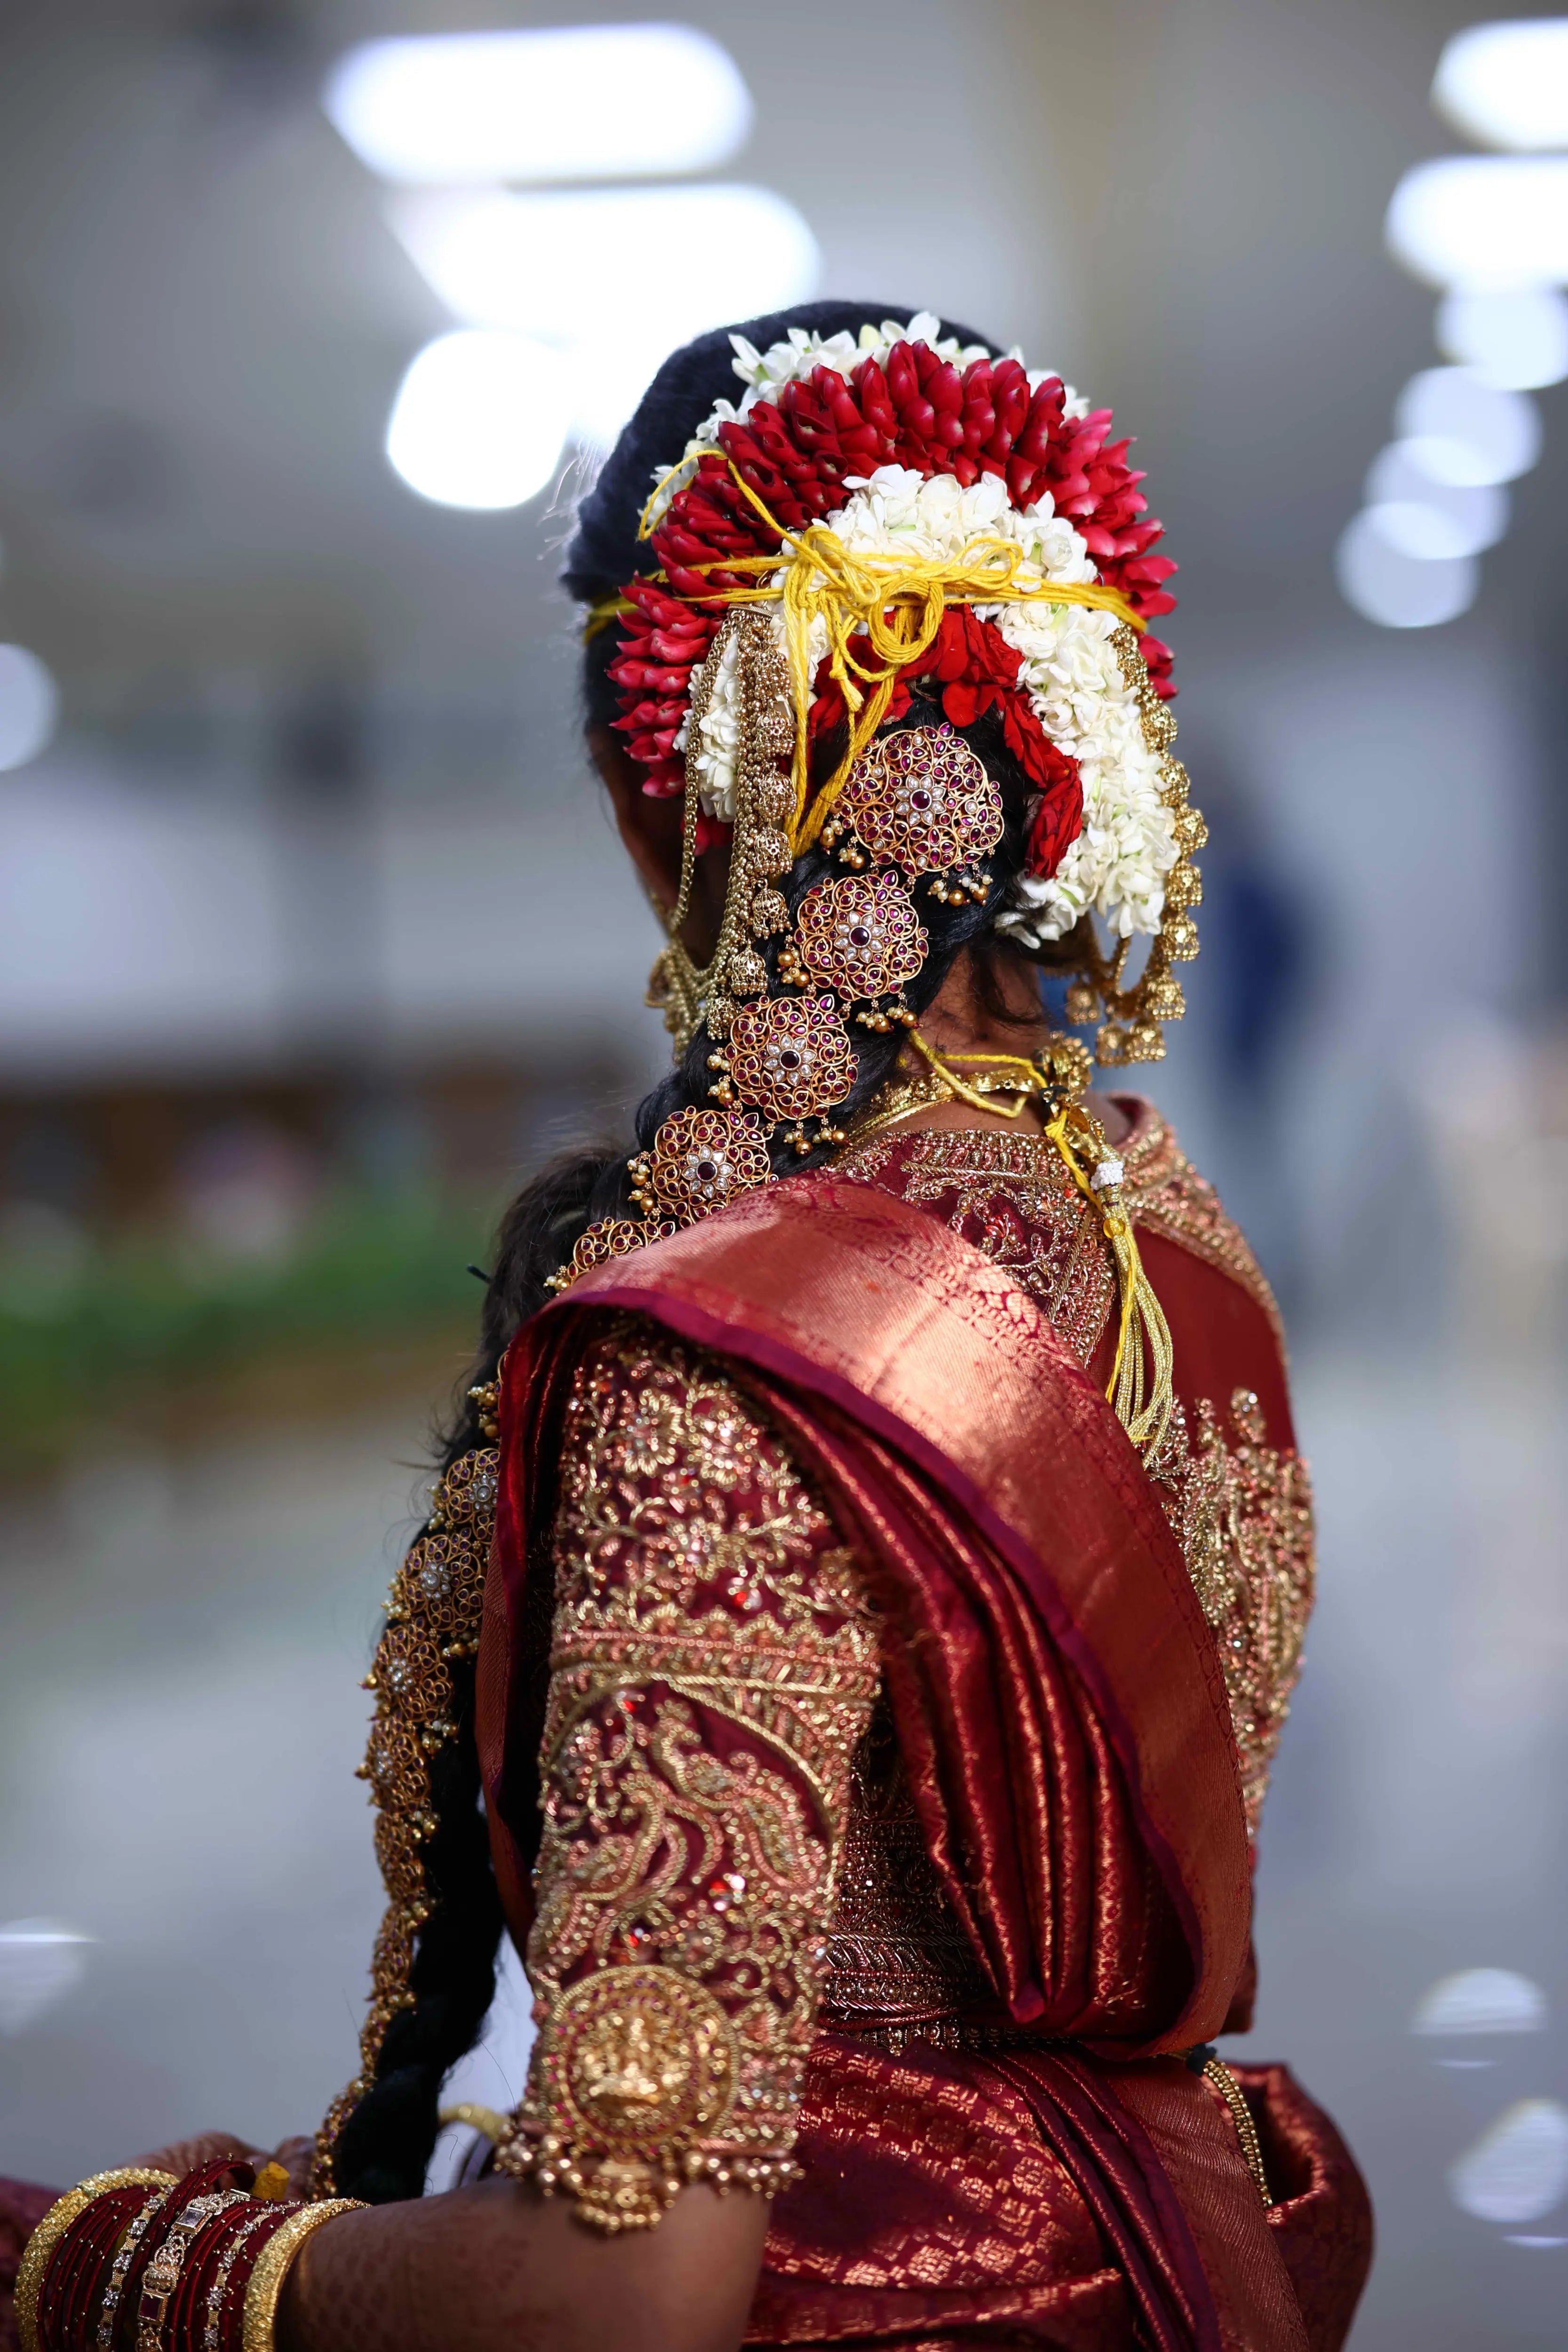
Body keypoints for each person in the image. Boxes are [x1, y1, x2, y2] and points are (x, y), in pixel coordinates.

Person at [6, 303, 1372, 2352]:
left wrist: (91, 2255)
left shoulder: (722, 1354)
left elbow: (619, 2291)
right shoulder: (1185, 1234)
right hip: (1177, 2262)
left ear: (675, 820)